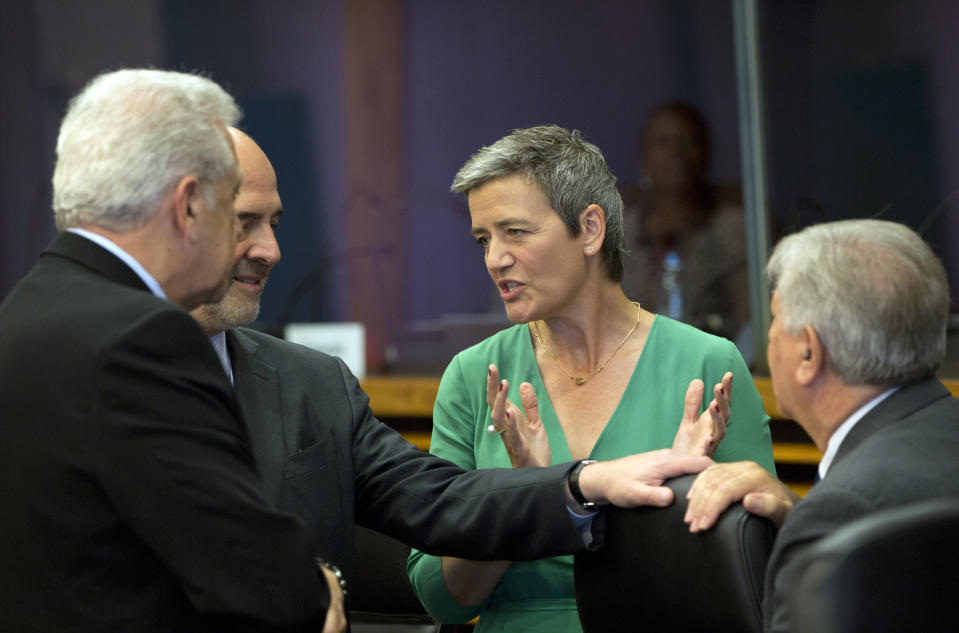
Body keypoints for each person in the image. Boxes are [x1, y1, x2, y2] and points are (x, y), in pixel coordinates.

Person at [188, 128, 723, 619]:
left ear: (589, 229)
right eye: (246, 223)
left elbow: (439, 501)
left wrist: (582, 482)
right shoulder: (108, 371)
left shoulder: (314, 385)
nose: (272, 250)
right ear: (180, 215)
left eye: (274, 224)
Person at [0, 69, 348, 632]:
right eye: (230, 213)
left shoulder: (22, 313)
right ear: (189, 206)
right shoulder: (147, 341)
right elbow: (272, 590)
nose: (266, 248)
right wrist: (325, 582)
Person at [406, 124, 775, 633]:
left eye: (515, 232)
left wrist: (687, 508)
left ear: (590, 229)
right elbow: (441, 598)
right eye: (483, 239)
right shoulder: (475, 376)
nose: (495, 259)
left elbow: (760, 573)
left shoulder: (709, 363)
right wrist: (518, 496)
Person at [683, 218, 959, 633]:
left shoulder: (841, 512)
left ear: (809, 354)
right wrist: (798, 512)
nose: (769, 335)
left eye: (774, 317)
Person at [620, 100, 752, 358]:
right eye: (663, 142)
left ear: (705, 153)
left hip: (713, 372)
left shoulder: (732, 229)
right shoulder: (618, 231)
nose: (676, 152)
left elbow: (752, 321)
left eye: (689, 141)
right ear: (644, 158)